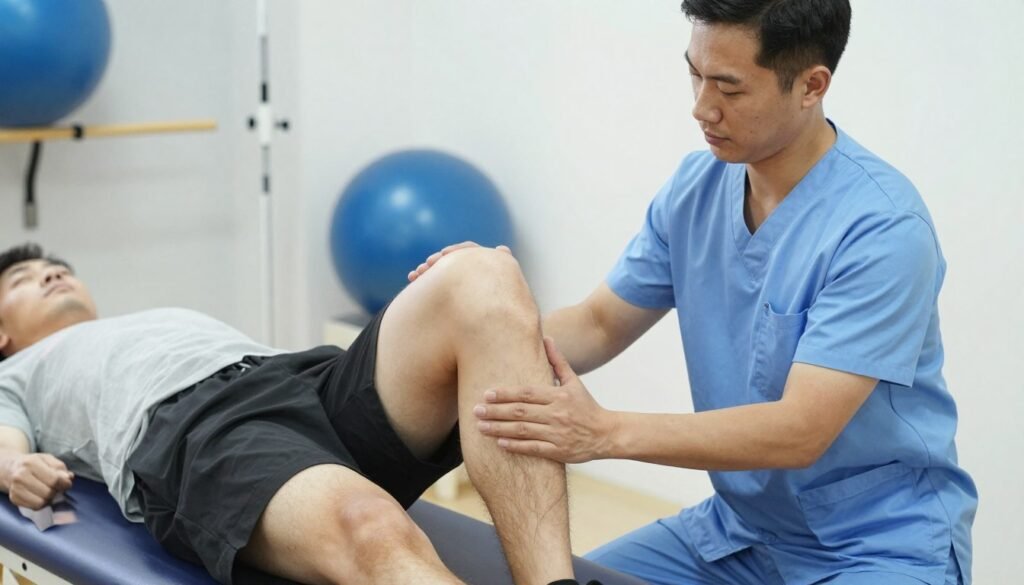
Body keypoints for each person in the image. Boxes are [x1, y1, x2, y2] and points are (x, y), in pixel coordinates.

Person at [410, 1, 977, 584]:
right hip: (739, 532)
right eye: (696, 74)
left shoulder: (882, 230)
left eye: (730, 89)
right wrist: (485, 322)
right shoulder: (696, 187)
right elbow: (601, 323)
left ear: (811, 86)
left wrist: (604, 432)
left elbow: (802, 429)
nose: (702, 107)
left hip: (874, 545)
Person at [0, 242, 594, 585]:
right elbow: (5, 441)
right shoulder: (15, 373)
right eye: (23, 280)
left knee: (480, 271)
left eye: (55, 266)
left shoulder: (136, 322)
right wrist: (13, 469)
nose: (50, 272)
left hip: (302, 379)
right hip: (199, 425)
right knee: (374, 526)